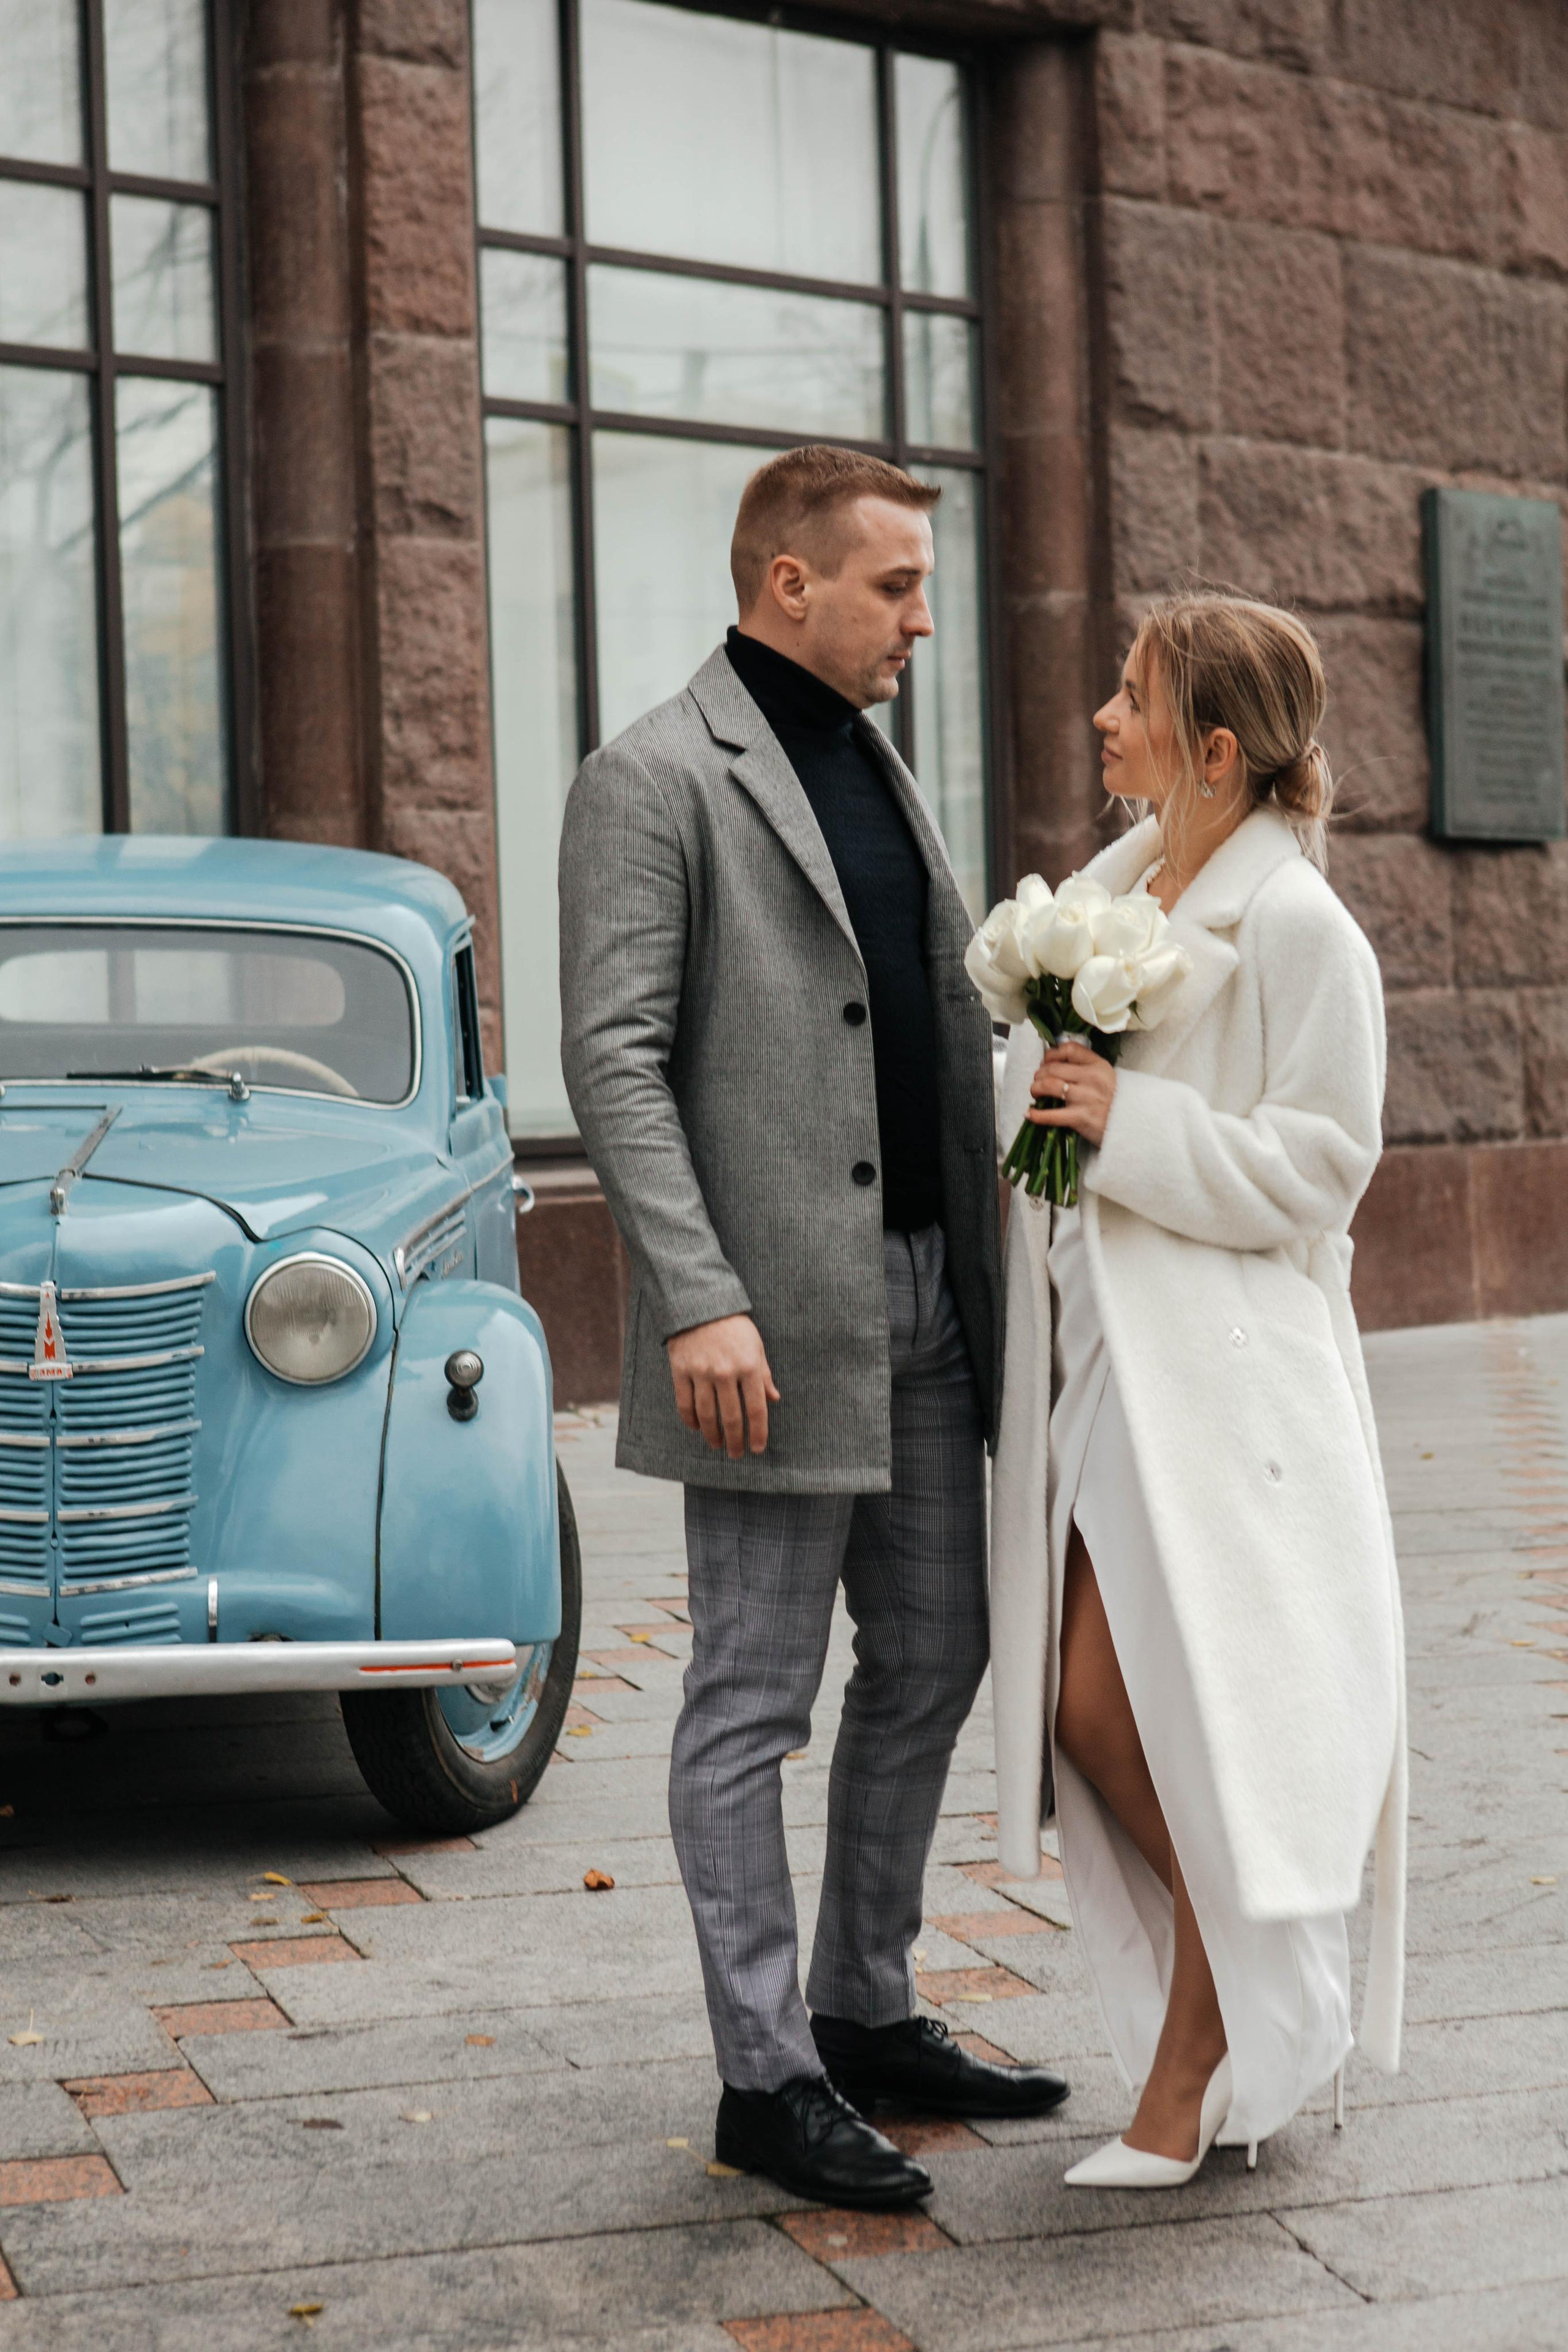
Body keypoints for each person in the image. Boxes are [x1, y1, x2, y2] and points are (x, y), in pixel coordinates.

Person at [559, 445, 1069, 2211]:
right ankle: (766, 2078)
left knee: (937, 1654)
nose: (922, 619)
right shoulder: (650, 778)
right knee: (751, 1697)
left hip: (933, 1300)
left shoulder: (876, 762)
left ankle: (864, 2004)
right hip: (767, 1326)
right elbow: (613, 1058)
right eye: (897, 587)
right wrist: (698, 1296)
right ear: (793, 583)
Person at [987, 588, 1406, 2187]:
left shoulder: (1302, 930)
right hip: (1102, 1369)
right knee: (1092, 1713)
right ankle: (1242, 1981)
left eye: (1134, 696)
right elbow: (1053, 1120)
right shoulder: (1110, 897)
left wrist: (1121, 1132)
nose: (1103, 715)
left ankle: (1201, 2044)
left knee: (1124, 1704)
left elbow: (1322, 1167)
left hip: (1226, 1393)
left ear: (1215, 749)